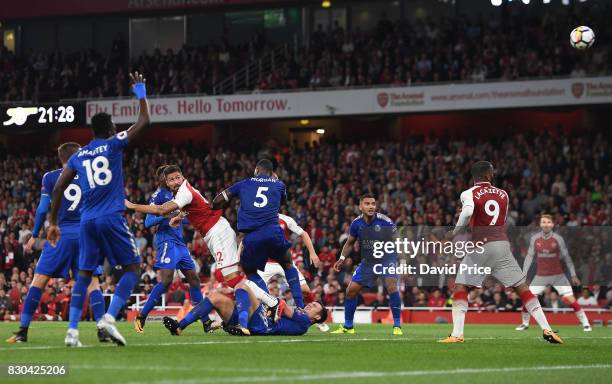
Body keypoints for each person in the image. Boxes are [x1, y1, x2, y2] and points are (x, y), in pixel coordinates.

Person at [48, 72, 150, 347]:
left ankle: (72, 332)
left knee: (83, 274)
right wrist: (140, 91)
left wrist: (52, 222)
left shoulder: (79, 155)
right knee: (133, 268)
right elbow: (144, 121)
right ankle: (108, 318)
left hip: (86, 221)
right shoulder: (114, 142)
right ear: (110, 127)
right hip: (110, 216)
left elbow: (57, 188)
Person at [439, 161, 563, 344]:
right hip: (502, 245)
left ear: (474, 176)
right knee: (522, 288)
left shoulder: (468, 193)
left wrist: (455, 231)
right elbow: (495, 219)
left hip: (480, 245)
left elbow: (467, 214)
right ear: (489, 175)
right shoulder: (503, 194)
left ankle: (457, 334)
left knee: (461, 287)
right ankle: (547, 329)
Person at [7, 143, 109, 344]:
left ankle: (23, 332)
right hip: (86, 235)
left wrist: (34, 234)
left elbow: (43, 208)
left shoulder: (51, 177)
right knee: (93, 284)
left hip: (59, 237)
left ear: (61, 158)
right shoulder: (91, 176)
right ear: (79, 155)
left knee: (39, 281)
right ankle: (102, 330)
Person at [133, 165, 219, 334]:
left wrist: (187, 217)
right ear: (163, 180)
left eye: (176, 178)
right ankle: (141, 317)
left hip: (180, 243)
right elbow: (148, 222)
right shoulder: (159, 196)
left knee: (194, 280)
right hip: (167, 241)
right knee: (166, 281)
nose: (174, 181)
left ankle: (206, 322)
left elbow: (182, 219)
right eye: (170, 178)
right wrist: (167, 214)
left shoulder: (178, 195)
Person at [211, 159, 305, 308]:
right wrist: (276, 180)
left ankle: (271, 304)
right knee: (288, 265)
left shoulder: (243, 184)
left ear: (256, 170)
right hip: (274, 233)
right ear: (272, 172)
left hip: (252, 236)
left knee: (249, 270)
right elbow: (284, 201)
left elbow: (218, 200)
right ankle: (301, 307)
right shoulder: (279, 185)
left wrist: (214, 210)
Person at [331, 194, 403, 335]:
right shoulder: (356, 223)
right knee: (351, 291)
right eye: (367, 204)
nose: (371, 206)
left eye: (373, 204)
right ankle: (348, 326)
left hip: (386, 259)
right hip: (368, 262)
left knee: (392, 286)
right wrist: (341, 258)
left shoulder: (385, 221)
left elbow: (399, 240)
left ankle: (397, 326)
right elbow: (350, 242)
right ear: (360, 206)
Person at [162, 279, 327, 337]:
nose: (309, 304)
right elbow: (279, 308)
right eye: (311, 303)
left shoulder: (304, 321)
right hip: (256, 318)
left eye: (313, 306)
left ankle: (242, 326)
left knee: (245, 285)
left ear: (317, 317)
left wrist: (276, 304)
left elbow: (283, 306)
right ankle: (179, 327)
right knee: (214, 297)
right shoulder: (301, 316)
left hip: (264, 325)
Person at [516, 214, 591, 331]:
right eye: (543, 222)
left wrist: (573, 275)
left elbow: (567, 258)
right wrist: (524, 274)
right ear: (540, 224)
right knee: (528, 299)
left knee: (569, 300)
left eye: (548, 222)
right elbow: (529, 257)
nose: (546, 224)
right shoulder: (535, 239)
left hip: (558, 276)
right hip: (541, 276)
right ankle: (524, 324)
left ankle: (586, 323)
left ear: (552, 224)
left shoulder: (558, 239)